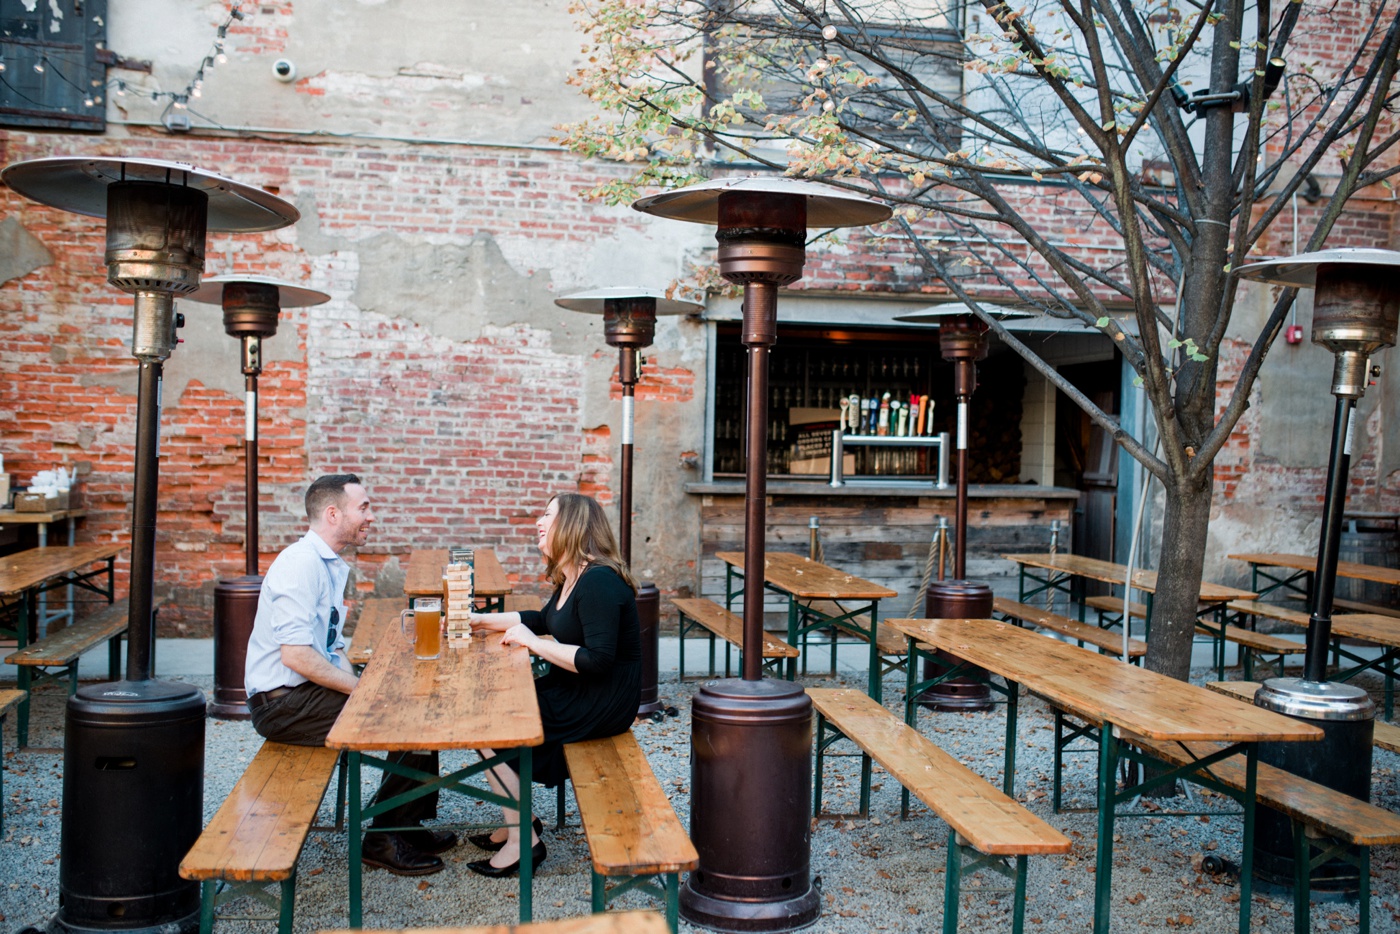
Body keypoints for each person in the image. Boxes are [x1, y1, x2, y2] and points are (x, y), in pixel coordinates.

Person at [244, 473, 455, 876]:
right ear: (332, 513)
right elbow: (297, 656)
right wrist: (363, 691)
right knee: (408, 717)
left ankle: (406, 824)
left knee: (414, 703)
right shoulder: (300, 565)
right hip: (282, 705)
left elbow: (331, 647)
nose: (371, 516)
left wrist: (369, 688)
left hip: (304, 695)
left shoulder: (329, 564)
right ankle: (383, 837)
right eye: (364, 507)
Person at [466, 492, 641, 877]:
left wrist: (534, 644)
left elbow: (598, 661)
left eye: (548, 515)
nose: (538, 522)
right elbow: (539, 619)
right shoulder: (573, 576)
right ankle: (517, 819)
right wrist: (480, 620)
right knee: (492, 711)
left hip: (600, 701)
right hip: (580, 690)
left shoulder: (598, 582)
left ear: (573, 526)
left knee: (484, 724)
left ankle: (522, 839)